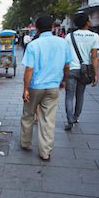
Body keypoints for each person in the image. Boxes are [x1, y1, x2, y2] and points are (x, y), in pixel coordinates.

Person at [20, 16, 72, 161]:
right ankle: (45, 152)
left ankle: (26, 142)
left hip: (35, 86)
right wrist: (64, 80)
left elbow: (29, 69)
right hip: (53, 86)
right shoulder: (63, 43)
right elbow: (67, 66)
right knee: (48, 119)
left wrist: (25, 89)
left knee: (28, 114)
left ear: (36, 28)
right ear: (52, 27)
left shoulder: (33, 45)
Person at [64, 13, 99, 131]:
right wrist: (96, 74)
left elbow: (66, 55)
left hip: (71, 69)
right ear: (87, 22)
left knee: (69, 96)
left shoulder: (69, 36)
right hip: (85, 70)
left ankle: (69, 120)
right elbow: (94, 57)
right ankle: (75, 117)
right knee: (80, 95)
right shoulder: (94, 36)